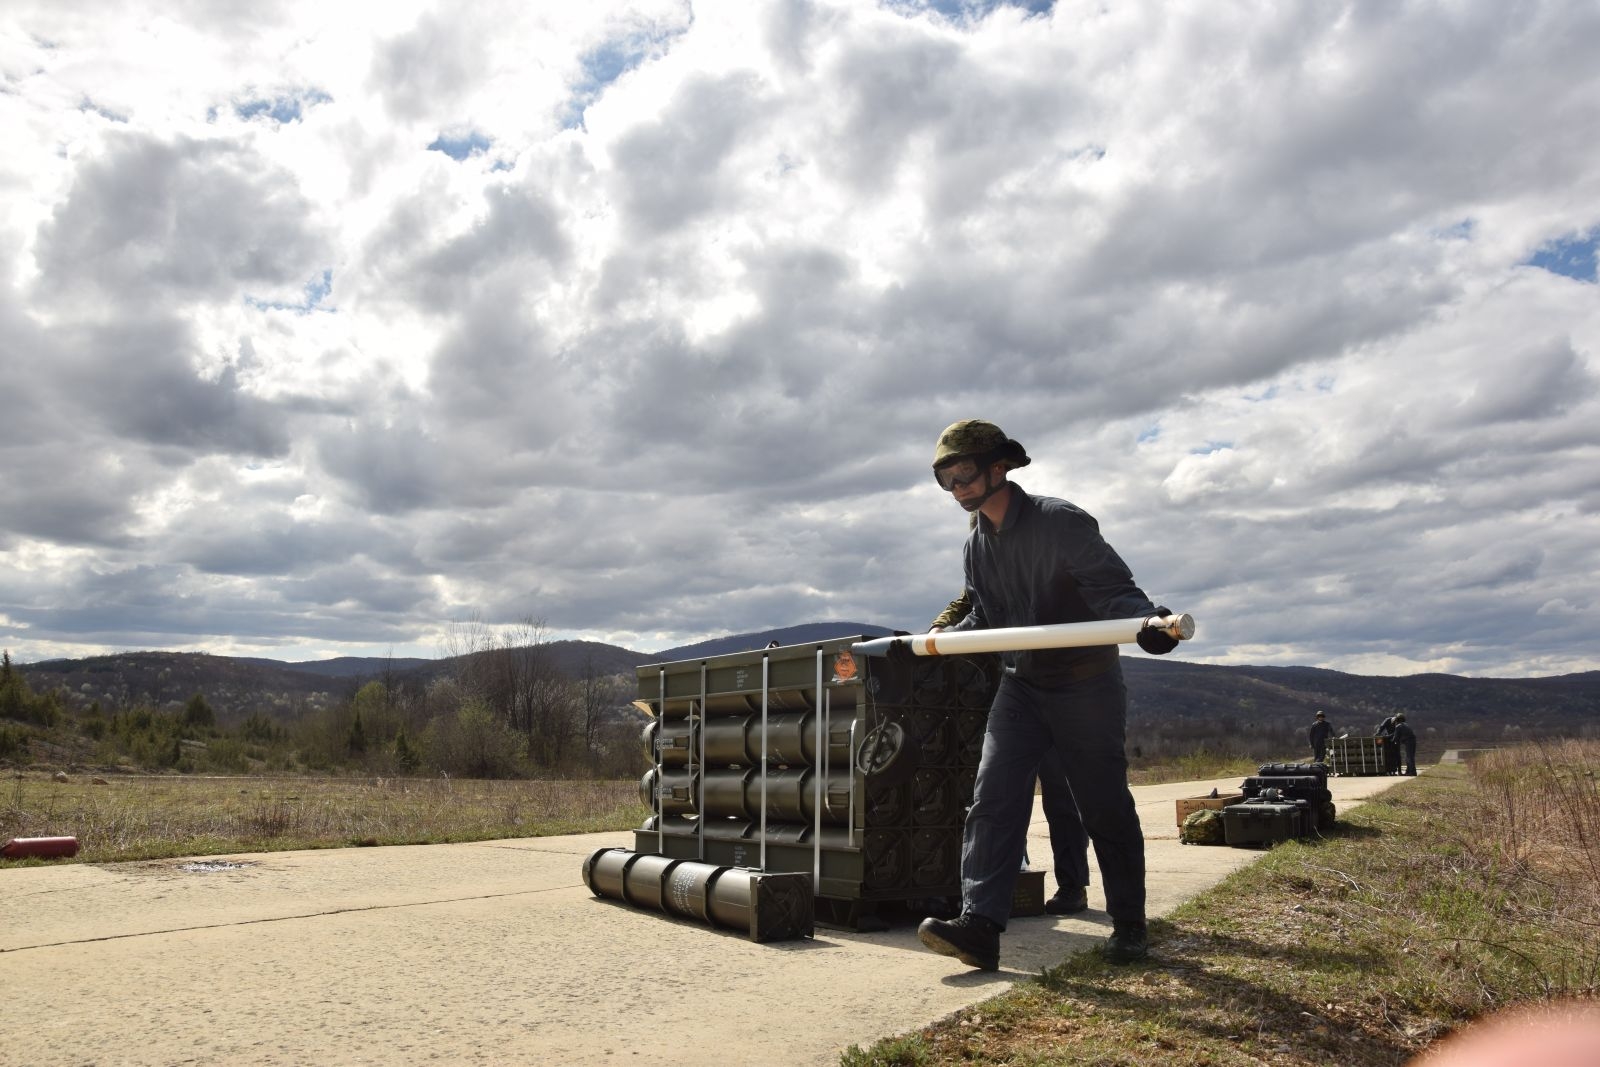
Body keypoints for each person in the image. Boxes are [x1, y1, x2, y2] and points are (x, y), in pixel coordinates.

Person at [915, 419, 1178, 971]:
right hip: (1021, 686)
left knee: (1102, 803)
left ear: (999, 468)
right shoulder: (976, 546)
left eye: (964, 473)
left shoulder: (1061, 521)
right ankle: (980, 926)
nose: (957, 488)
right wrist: (938, 643)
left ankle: (1129, 924)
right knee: (992, 797)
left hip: (1085, 684)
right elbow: (988, 617)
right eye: (945, 479)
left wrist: (1148, 623)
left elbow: (1114, 590)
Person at [932, 590, 1089, 916]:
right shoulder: (983, 567)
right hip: (1005, 698)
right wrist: (938, 630)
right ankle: (993, 894)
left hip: (1053, 689)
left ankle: (1073, 886)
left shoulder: (1039, 563)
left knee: (1062, 798)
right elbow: (965, 601)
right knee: (1000, 800)